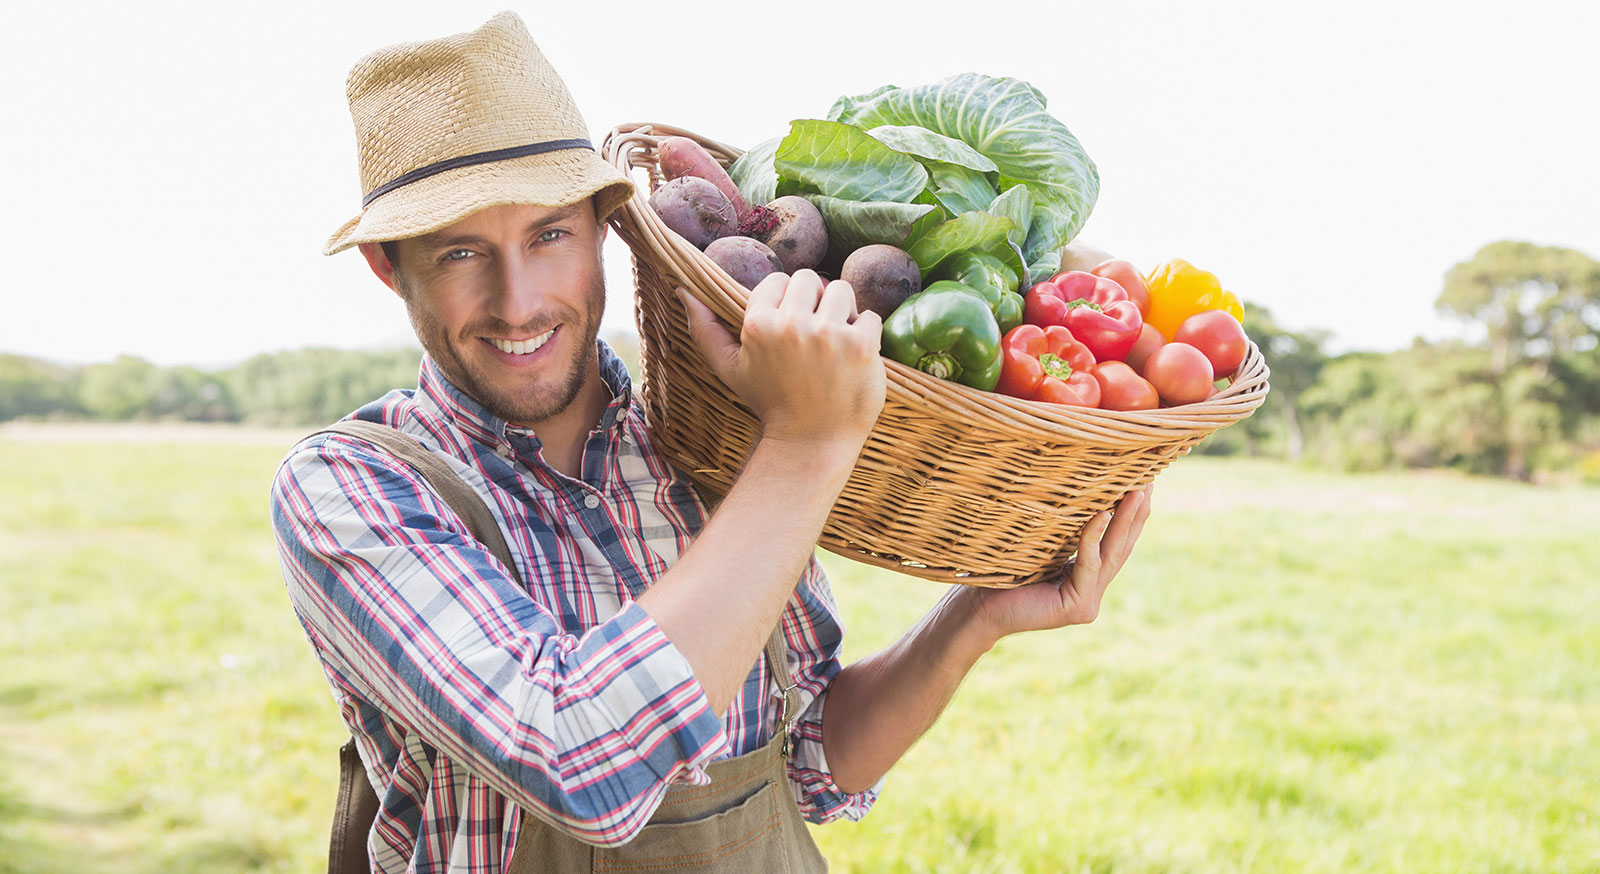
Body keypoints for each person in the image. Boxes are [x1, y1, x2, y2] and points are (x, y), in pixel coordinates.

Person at [271, 11, 1152, 873]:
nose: (519, 301)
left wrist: (976, 612)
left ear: (606, 227)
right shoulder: (351, 488)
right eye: (461, 254)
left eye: (550, 235)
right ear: (389, 266)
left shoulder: (711, 443)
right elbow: (582, 761)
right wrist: (806, 444)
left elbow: (810, 762)